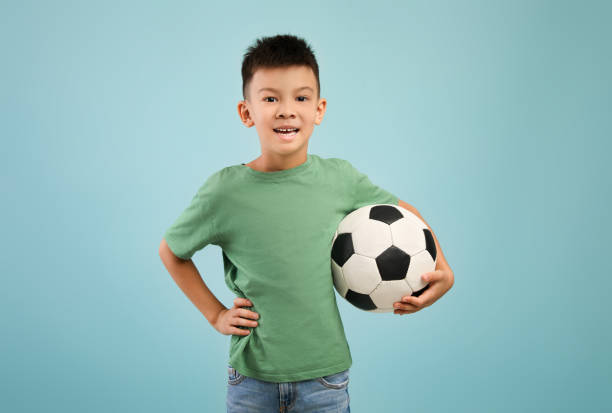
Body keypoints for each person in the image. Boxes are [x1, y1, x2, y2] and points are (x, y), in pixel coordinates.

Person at [158, 33, 454, 413]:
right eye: (270, 98)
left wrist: (443, 269)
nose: (286, 110)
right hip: (252, 379)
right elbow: (172, 251)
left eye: (301, 97)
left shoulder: (340, 179)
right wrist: (215, 313)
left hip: (324, 379)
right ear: (246, 112)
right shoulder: (224, 192)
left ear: (319, 109)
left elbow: (405, 212)